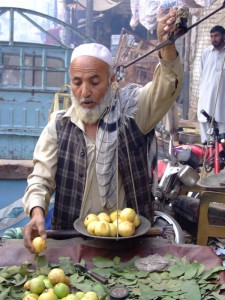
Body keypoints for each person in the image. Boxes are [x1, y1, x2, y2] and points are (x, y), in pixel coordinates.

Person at [22, 8, 183, 253]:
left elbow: (166, 88)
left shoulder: (133, 112)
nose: (84, 92)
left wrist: (166, 46)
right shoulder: (59, 125)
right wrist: (36, 211)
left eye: (94, 82)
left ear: (110, 81)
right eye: (77, 82)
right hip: (73, 244)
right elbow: (41, 179)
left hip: (130, 244)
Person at [198, 25, 225, 143]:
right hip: (206, 101)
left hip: (222, 105)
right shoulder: (206, 53)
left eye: (217, 36)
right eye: (212, 36)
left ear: (224, 36)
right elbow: (202, 76)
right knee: (207, 143)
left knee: (221, 144)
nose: (214, 39)